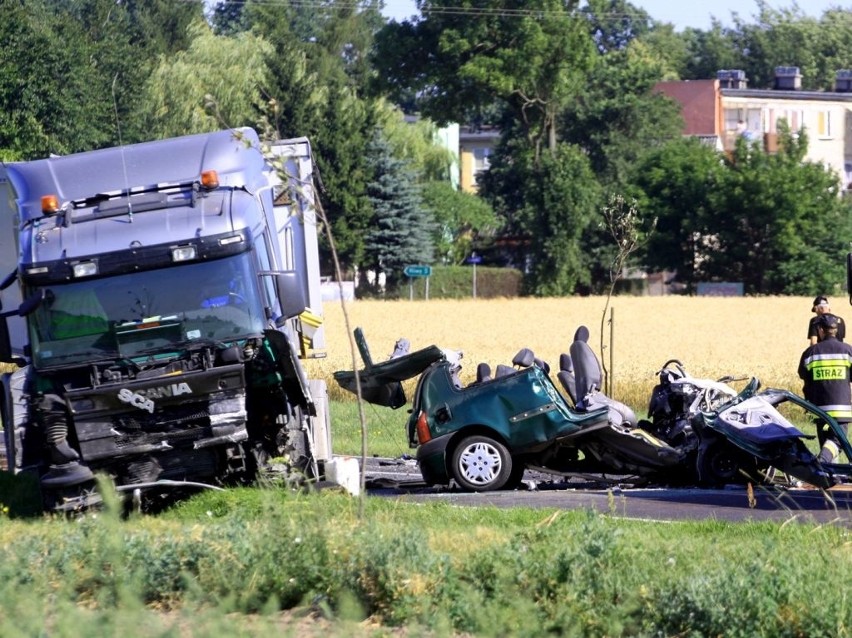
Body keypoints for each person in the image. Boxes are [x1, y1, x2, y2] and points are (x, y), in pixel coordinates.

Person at [798, 313, 852, 464]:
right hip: (842, 408)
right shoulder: (848, 351)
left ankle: (827, 478)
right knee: (837, 442)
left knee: (826, 444)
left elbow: (804, 376)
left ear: (821, 330)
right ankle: (821, 463)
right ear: (835, 330)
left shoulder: (811, 353)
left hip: (819, 409)